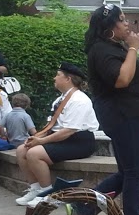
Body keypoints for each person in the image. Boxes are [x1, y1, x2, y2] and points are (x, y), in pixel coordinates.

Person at [84, 4, 139, 215]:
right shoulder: (102, 50)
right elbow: (122, 80)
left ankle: (83, 207)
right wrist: (134, 48)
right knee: (134, 174)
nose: (127, 23)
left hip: (132, 116)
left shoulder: (113, 48)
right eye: (122, 20)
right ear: (109, 26)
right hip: (123, 116)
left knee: (127, 172)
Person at [14, 63, 100, 206]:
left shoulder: (80, 100)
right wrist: (36, 138)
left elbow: (69, 130)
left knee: (34, 153)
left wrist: (41, 142)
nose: (54, 78)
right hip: (62, 138)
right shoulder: (60, 99)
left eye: (58, 75)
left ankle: (47, 194)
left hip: (79, 141)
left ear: (68, 79)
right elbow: (52, 126)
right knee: (21, 150)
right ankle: (35, 189)